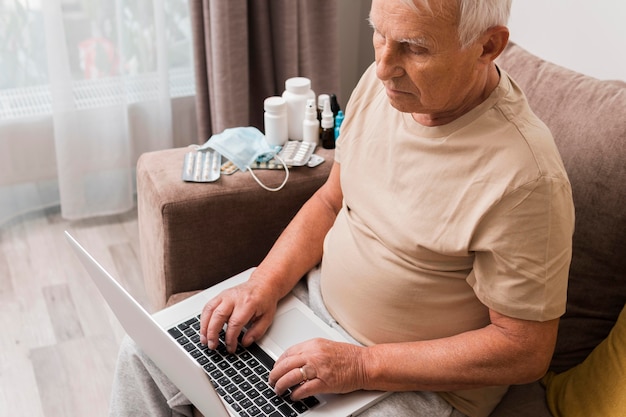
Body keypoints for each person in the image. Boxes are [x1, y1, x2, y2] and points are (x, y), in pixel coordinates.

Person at [110, 0, 575, 416]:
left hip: (415, 384)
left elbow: (525, 349)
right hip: (311, 312)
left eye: (414, 48)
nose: (384, 66)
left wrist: (361, 366)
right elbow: (333, 199)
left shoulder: (526, 178)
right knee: (142, 355)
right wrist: (264, 284)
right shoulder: (384, 89)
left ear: (487, 46)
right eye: (379, 34)